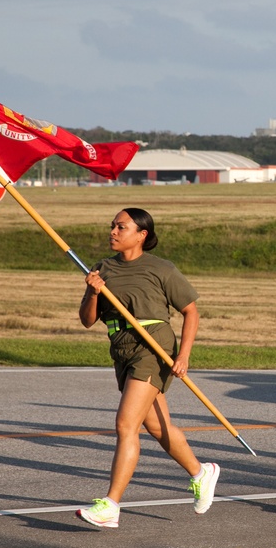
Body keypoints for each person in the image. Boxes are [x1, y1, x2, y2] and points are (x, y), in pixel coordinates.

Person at [75, 208, 220, 528]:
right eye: (112, 226)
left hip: (154, 347)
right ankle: (202, 472)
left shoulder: (161, 269)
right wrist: (92, 291)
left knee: (126, 424)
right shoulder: (102, 268)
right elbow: (87, 320)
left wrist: (184, 356)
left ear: (141, 234)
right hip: (121, 348)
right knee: (156, 426)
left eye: (121, 227)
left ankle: (111, 505)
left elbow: (191, 312)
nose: (113, 231)